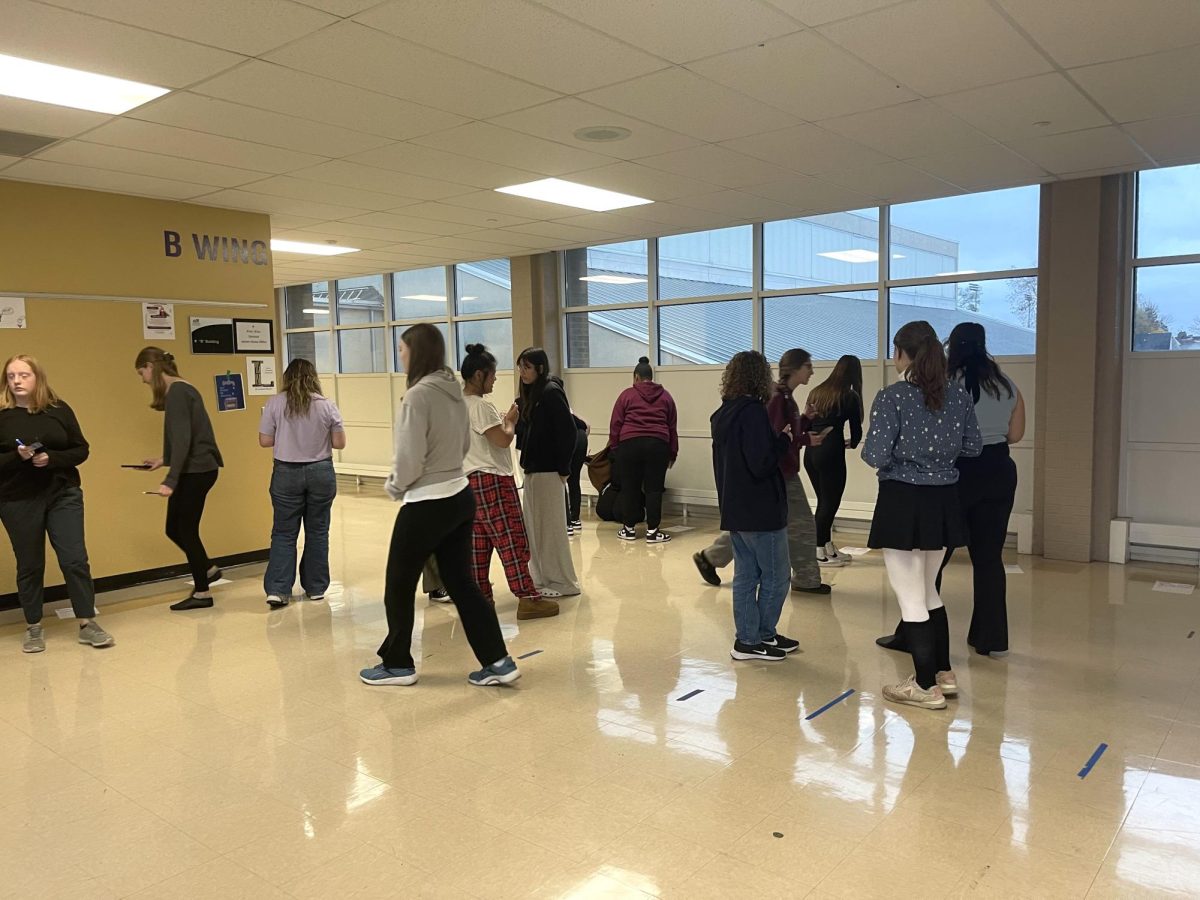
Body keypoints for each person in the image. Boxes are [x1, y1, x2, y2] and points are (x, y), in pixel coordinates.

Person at [360, 324, 519, 687]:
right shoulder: (452, 392)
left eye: (402, 350)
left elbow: (409, 454)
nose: (399, 356)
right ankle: (498, 660)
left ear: (416, 352)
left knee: (398, 584)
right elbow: (463, 445)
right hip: (460, 496)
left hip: (426, 502)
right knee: (463, 583)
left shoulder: (417, 396)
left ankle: (398, 663)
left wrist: (395, 486)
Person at [876, 323, 1024, 658]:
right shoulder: (1006, 385)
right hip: (998, 471)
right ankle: (990, 638)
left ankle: (913, 634)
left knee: (931, 556)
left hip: (952, 474)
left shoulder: (940, 384)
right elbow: (1015, 435)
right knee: (989, 559)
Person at [861, 321, 981, 710]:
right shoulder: (959, 396)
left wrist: (906, 458)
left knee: (909, 595)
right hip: (944, 500)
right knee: (929, 590)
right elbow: (973, 446)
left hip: (902, 500)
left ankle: (924, 686)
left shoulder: (892, 397)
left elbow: (875, 455)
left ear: (902, 353)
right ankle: (944, 674)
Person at [0, 355, 113, 652]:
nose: (17, 381)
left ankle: (88, 622)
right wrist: (17, 457)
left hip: (62, 492)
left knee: (74, 558)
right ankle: (33, 626)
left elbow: (81, 449)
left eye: (24, 375)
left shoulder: (59, 410)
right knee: (30, 563)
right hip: (17, 499)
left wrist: (52, 458)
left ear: (37, 378)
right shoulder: (2, 415)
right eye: (11, 376)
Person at [460, 343, 558, 620]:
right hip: (493, 481)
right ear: (479, 375)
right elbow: (503, 439)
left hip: (469, 483)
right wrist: (511, 420)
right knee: (511, 540)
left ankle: (480, 602)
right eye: (492, 375)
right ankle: (527, 598)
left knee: (478, 545)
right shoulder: (480, 406)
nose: (495, 380)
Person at [711, 351, 798, 662]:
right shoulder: (753, 413)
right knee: (777, 576)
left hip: (735, 508)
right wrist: (783, 440)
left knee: (747, 575)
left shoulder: (722, 414)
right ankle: (759, 633)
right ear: (759, 377)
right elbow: (761, 463)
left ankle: (751, 638)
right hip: (762, 510)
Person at [135, 347, 224, 612]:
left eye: (142, 372)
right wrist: (164, 459)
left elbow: (185, 439)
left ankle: (202, 592)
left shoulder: (177, 392)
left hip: (197, 470)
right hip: (195, 468)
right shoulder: (182, 390)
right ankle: (207, 569)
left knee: (186, 530)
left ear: (152, 367)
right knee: (173, 528)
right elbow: (186, 437)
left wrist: (170, 480)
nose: (143, 379)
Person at [258, 358, 345, 609]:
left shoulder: (275, 403)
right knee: (318, 531)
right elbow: (339, 443)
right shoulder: (327, 405)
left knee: (284, 532)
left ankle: (278, 589)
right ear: (313, 377)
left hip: (286, 472)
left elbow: (264, 441)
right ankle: (316, 588)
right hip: (321, 472)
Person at [514, 347, 580, 598]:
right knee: (535, 529)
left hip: (549, 471)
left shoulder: (550, 393)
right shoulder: (532, 394)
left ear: (539, 368)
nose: (522, 372)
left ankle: (561, 581)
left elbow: (569, 432)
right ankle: (541, 577)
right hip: (533, 471)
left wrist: (564, 470)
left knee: (551, 531)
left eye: (527, 367)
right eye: (520, 367)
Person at [766, 349, 831, 594]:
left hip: (783, 471)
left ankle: (710, 558)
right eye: (808, 366)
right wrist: (803, 439)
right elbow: (776, 438)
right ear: (795, 368)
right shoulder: (778, 398)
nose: (812, 371)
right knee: (803, 524)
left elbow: (787, 433)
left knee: (761, 524)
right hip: (782, 472)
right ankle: (806, 578)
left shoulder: (786, 397)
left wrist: (804, 422)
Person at [608, 356, 678, 543]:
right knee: (654, 489)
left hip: (629, 445)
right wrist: (672, 453)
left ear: (636, 377)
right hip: (658, 445)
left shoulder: (626, 395)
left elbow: (616, 423)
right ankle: (653, 532)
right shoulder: (666, 397)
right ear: (651, 376)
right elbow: (672, 427)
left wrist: (615, 448)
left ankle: (629, 529)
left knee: (629, 486)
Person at [804, 355, 864, 566]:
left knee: (823, 501)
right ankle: (818, 550)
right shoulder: (849, 396)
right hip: (831, 451)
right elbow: (856, 429)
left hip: (810, 452)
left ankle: (827, 545)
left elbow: (806, 421)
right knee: (830, 502)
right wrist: (853, 442)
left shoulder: (817, 391)